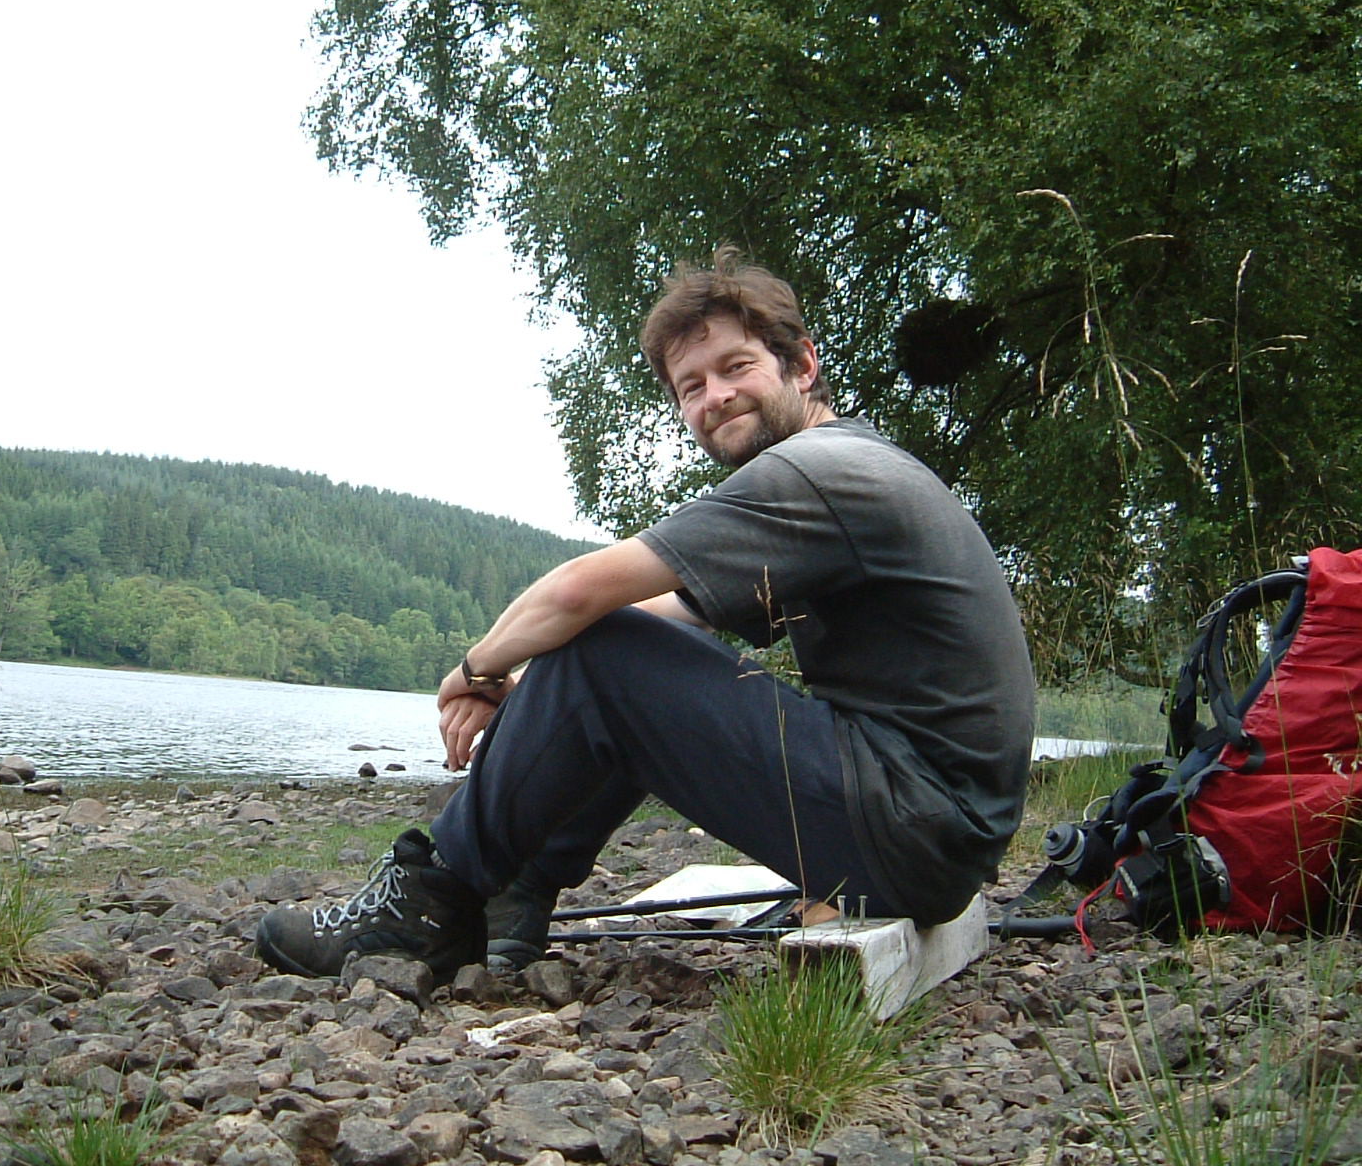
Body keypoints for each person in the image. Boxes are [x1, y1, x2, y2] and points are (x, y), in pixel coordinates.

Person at [256, 246, 1035, 983]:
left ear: (802, 365)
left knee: (600, 641)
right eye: (690, 386)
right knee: (606, 646)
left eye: (736, 367)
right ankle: (513, 896)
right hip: (931, 828)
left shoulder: (821, 473)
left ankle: (430, 900)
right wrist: (535, 676)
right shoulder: (848, 467)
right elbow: (677, 610)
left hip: (916, 828)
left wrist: (477, 669)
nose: (714, 397)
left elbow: (577, 592)